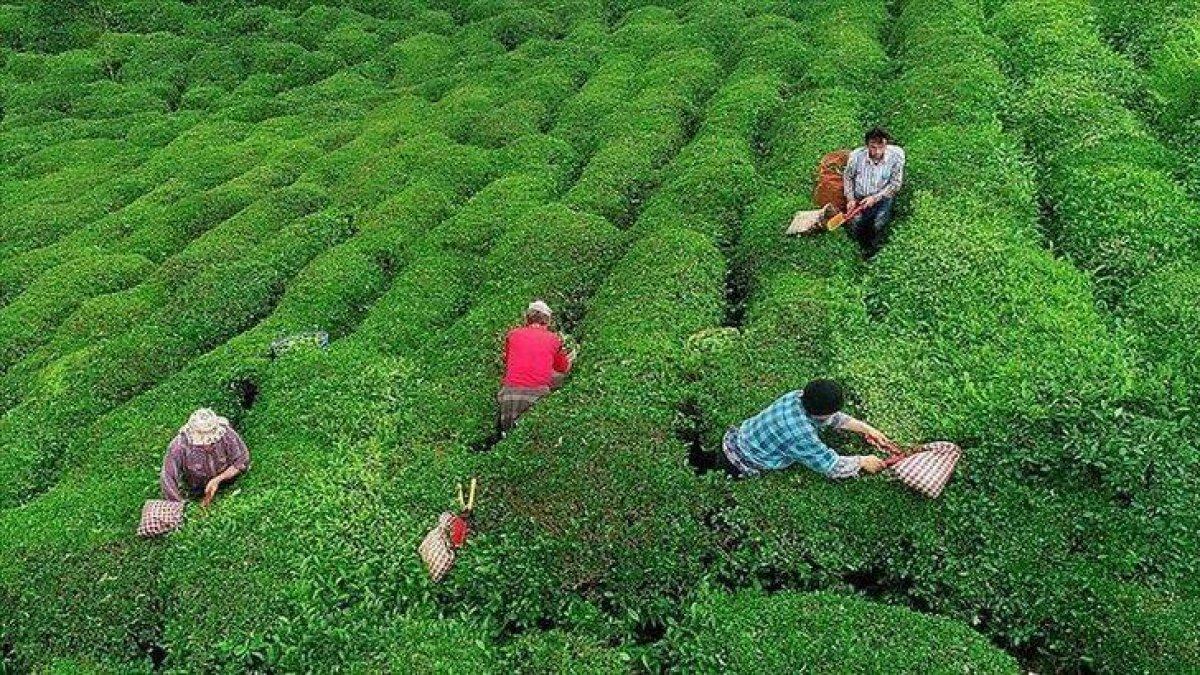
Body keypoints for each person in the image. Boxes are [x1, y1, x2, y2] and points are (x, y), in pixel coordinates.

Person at [718, 379, 891, 479]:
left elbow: (832, 418)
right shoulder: (801, 435)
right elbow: (830, 466)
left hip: (738, 438)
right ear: (823, 414)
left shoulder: (796, 396)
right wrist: (862, 461)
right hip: (743, 462)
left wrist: (866, 429)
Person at [497, 300, 576, 432]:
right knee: (562, 378)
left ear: (527, 318)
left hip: (509, 396)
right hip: (537, 395)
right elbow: (562, 368)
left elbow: (508, 361)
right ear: (548, 321)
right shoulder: (554, 339)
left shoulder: (513, 335)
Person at [160, 408, 250, 506]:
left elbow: (242, 460)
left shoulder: (227, 434)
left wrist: (218, 479)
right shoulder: (179, 446)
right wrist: (180, 504)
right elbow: (168, 477)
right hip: (196, 489)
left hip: (228, 482)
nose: (208, 445)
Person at [843, 127, 905, 258]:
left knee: (879, 223)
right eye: (873, 147)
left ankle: (873, 250)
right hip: (859, 197)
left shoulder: (896, 158)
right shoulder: (856, 157)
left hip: (882, 198)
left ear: (886, 144)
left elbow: (895, 184)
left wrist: (875, 198)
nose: (877, 151)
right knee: (855, 223)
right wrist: (850, 199)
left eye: (881, 147)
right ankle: (856, 250)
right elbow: (848, 177)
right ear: (867, 146)